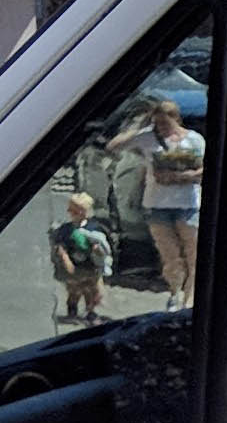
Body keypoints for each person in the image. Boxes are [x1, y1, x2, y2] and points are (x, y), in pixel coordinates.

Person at [107, 97, 204, 305]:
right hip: (157, 205)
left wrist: (183, 176)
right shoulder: (148, 138)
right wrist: (140, 130)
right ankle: (175, 292)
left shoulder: (195, 140)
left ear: (176, 119)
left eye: (164, 123)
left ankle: (190, 299)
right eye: (157, 123)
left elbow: (204, 169)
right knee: (170, 256)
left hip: (187, 204)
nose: (161, 128)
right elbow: (113, 146)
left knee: (193, 254)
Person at [48, 192, 107, 323]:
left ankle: (91, 311)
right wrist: (65, 259)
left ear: (83, 211)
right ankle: (72, 310)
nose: (70, 212)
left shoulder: (94, 228)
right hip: (74, 266)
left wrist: (99, 252)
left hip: (90, 265)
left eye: (74, 210)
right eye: (70, 210)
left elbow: (101, 244)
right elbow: (60, 246)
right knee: (74, 290)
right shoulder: (66, 229)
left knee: (91, 291)